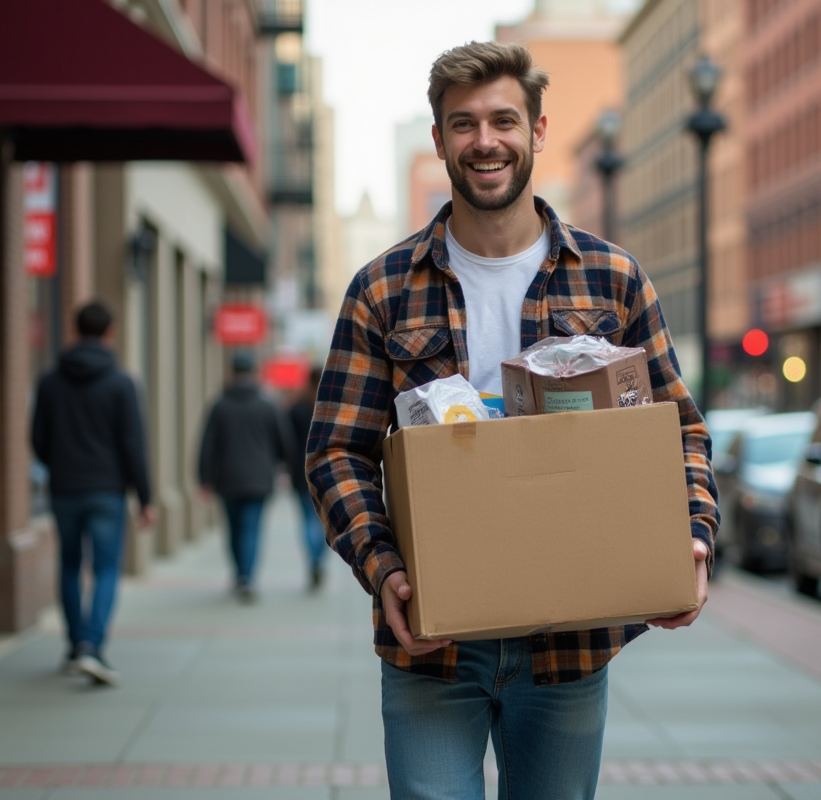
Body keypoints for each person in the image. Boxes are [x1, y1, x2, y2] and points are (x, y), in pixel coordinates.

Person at [305, 41, 719, 799]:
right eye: (463, 124)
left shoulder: (613, 278)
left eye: (503, 120)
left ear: (536, 130)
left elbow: (679, 429)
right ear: (438, 141)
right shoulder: (383, 289)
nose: (484, 141)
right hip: (434, 641)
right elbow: (336, 451)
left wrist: (691, 533)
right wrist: (385, 569)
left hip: (571, 645)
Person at [31, 300, 156, 687]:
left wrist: (60, 465)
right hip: (106, 491)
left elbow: (37, 439)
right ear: (110, 332)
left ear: (74, 330)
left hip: (65, 489)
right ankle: (92, 645)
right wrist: (145, 498)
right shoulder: (122, 382)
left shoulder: (50, 380)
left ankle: (74, 646)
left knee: (69, 564)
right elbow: (133, 445)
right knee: (105, 568)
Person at [198, 350, 290, 603]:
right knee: (251, 528)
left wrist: (204, 479)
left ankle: (240, 574)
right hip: (259, 479)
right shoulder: (267, 405)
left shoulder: (219, 405)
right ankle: (247, 577)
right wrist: (284, 467)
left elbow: (207, 445)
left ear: (231, 374)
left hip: (227, 479)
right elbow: (283, 442)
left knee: (234, 529)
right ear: (253, 373)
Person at [288, 366, 328, 591]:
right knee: (324, 521)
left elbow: (288, 441)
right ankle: (318, 560)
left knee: (306, 520)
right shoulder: (329, 405)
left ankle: (313, 561)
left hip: (301, 472)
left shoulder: (297, 408)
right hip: (325, 471)